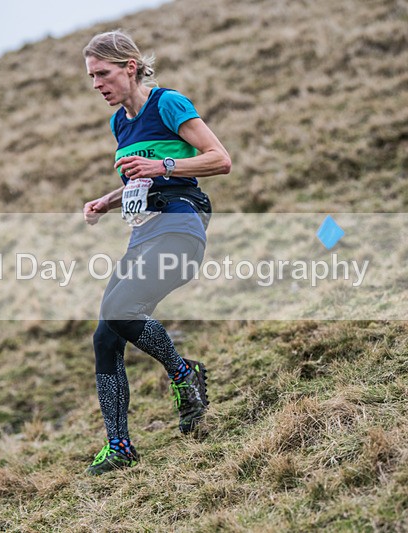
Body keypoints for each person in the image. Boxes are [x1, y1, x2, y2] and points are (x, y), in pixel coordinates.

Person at [82, 30, 231, 475]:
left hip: (182, 225)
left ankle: (184, 375)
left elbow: (219, 159)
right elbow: (139, 181)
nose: (96, 85)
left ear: (130, 66)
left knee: (120, 307)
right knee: (106, 335)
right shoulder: (119, 124)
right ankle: (120, 445)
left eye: (102, 73)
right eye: (91, 77)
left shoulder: (168, 103)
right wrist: (108, 201)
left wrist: (163, 165)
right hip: (144, 234)